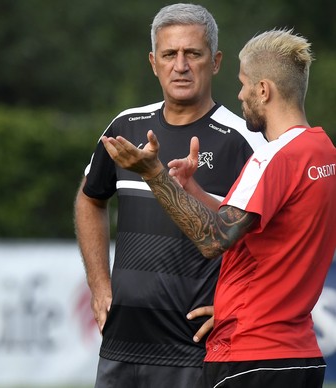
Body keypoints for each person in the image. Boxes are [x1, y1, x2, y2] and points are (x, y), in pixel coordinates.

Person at [101, 28, 336, 388]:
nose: (239, 94)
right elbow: (255, 227)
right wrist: (192, 189)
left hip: (251, 355)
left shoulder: (272, 158)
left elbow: (214, 239)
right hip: (299, 355)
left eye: (244, 84)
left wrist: (154, 174)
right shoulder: (323, 153)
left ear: (263, 90)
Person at [74, 3, 266, 387]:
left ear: (215, 62)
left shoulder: (247, 141)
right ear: (153, 62)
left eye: (193, 53)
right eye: (169, 54)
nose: (181, 65)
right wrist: (99, 287)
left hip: (195, 350)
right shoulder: (125, 126)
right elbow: (89, 198)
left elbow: (278, 239)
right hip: (120, 344)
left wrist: (241, 307)